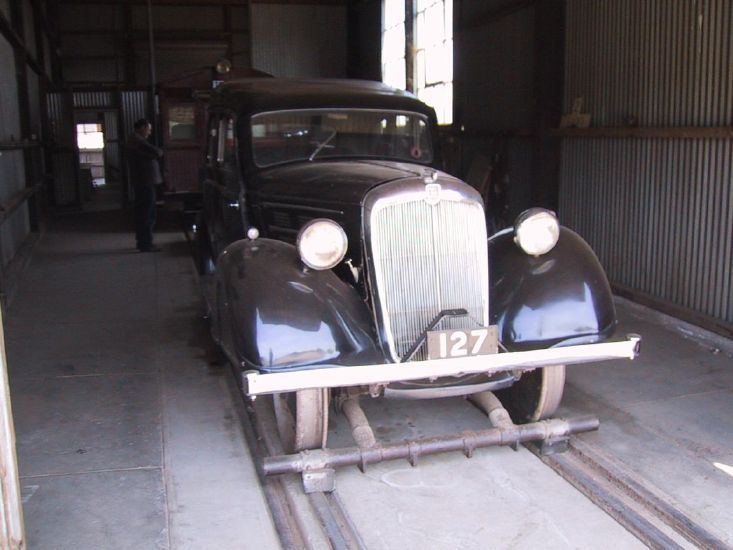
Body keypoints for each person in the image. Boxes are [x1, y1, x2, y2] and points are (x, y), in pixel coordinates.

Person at [126, 119, 163, 252]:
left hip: (143, 181)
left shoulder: (135, 140)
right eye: (148, 128)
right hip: (144, 181)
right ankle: (145, 243)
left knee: (146, 212)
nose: (149, 131)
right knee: (147, 213)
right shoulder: (137, 141)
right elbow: (157, 152)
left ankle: (144, 242)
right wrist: (157, 153)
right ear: (141, 128)